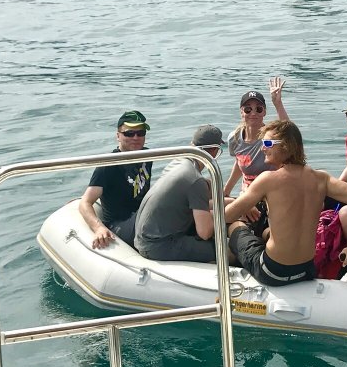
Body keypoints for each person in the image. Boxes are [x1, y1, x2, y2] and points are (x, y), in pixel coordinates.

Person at [224, 120, 347, 286]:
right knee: (266, 233)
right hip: (306, 270)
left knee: (235, 226)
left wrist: (234, 201)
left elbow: (228, 215)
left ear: (286, 146)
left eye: (268, 143)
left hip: (273, 272)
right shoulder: (321, 178)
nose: (262, 148)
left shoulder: (267, 180)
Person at [134, 124, 225, 263]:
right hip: (159, 246)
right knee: (226, 248)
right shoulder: (196, 180)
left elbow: (195, 203)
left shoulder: (177, 163)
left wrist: (231, 202)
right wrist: (231, 212)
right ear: (214, 151)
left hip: (143, 238)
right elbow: (205, 232)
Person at [80, 110, 153, 250]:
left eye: (141, 133)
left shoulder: (148, 156)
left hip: (140, 215)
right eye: (129, 133)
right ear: (118, 136)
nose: (136, 137)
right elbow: (85, 202)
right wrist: (98, 228)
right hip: (119, 224)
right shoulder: (108, 165)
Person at [224, 76, 290, 197]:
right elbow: (240, 162)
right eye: (248, 109)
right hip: (247, 193)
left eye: (258, 109)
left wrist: (278, 104)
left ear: (264, 112)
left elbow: (290, 133)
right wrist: (226, 191)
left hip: (272, 191)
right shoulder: (234, 138)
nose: (253, 113)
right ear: (241, 112)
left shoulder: (270, 136)